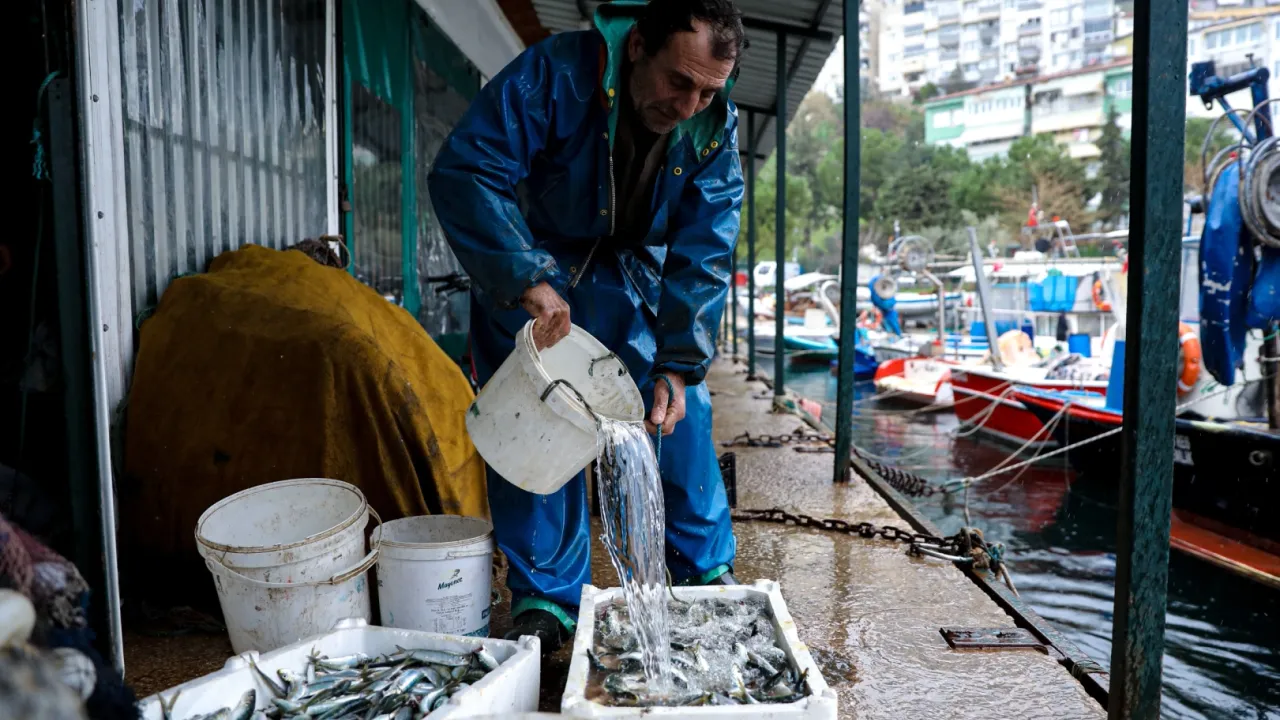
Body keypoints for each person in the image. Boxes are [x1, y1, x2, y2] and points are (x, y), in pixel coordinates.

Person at [428, 0, 745, 651]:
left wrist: (681, 362)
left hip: (635, 270)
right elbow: (467, 169)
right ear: (638, 48)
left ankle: (703, 570)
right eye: (678, 81)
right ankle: (547, 596)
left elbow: (707, 246)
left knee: (678, 409)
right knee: (538, 416)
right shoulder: (555, 74)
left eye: (708, 91)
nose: (689, 105)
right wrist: (523, 275)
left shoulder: (714, 125)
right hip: (532, 266)